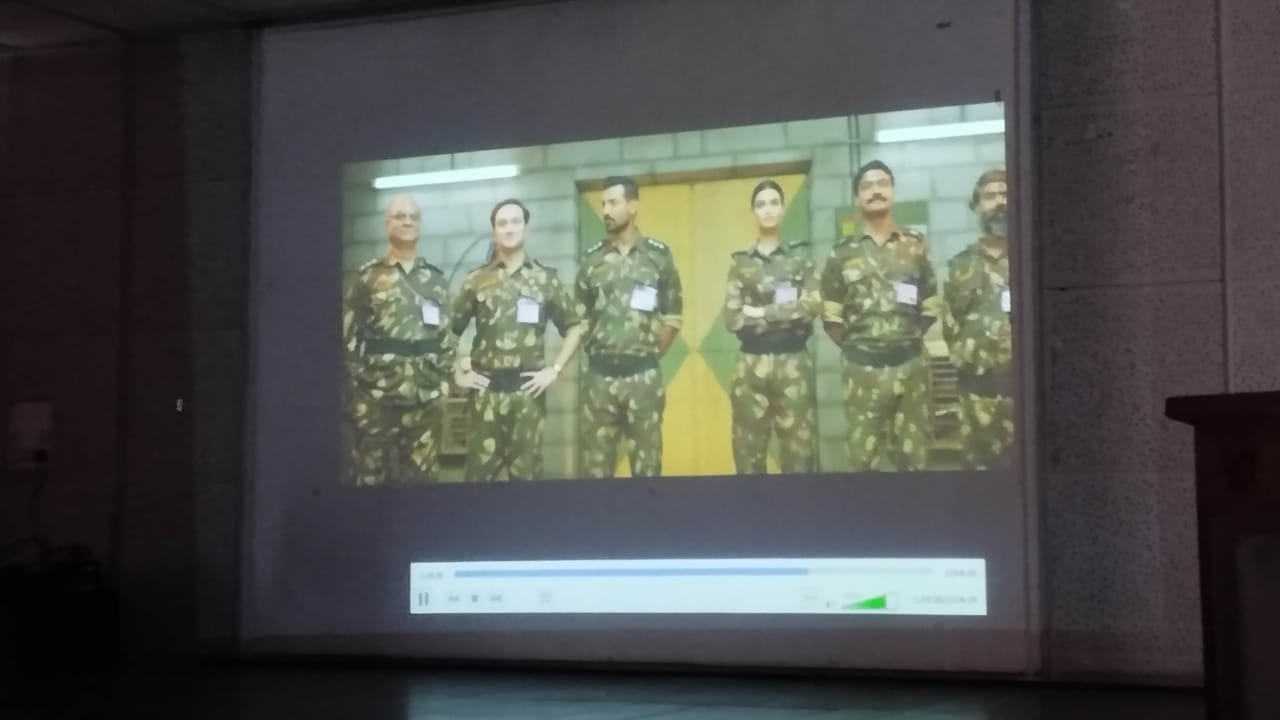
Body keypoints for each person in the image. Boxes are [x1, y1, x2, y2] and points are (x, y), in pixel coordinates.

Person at [450, 199, 584, 481]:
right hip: (484, 397)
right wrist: (458, 371)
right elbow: (447, 330)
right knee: (477, 481)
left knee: (527, 481)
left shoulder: (545, 279)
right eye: (502, 223)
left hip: (527, 398)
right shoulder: (476, 279)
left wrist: (555, 369)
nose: (509, 228)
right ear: (494, 231)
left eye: (515, 222)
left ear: (525, 228)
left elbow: (575, 326)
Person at [820, 160, 939, 472]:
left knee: (915, 461)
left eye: (883, 184)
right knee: (862, 461)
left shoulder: (915, 246)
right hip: (862, 371)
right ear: (857, 197)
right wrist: (862, 348)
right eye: (867, 186)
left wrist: (902, 341)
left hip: (910, 368)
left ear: (893, 192)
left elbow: (930, 305)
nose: (876, 191)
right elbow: (831, 317)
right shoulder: (841, 253)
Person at [575, 176, 683, 477]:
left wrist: (646, 352)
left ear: (633, 206)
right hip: (599, 380)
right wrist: (603, 348)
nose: (606, 211)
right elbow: (579, 318)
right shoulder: (592, 260)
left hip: (643, 380)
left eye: (613, 203)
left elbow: (673, 315)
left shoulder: (657, 256)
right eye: (603, 204)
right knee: (595, 471)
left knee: (648, 470)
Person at [342, 195, 452, 485]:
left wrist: (442, 385)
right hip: (377, 401)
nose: (407, 221)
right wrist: (358, 395)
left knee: (422, 486)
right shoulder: (366, 278)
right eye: (400, 216)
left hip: (424, 402)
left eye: (413, 217)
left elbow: (446, 337)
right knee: (370, 481)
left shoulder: (435, 280)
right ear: (387, 224)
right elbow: (346, 338)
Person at [723, 180, 820, 474]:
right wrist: (787, 314)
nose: (767, 210)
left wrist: (761, 312)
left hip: (794, 363)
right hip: (750, 365)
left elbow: (812, 306)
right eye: (761, 204)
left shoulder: (801, 258)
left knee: (799, 454)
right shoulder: (740, 262)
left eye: (774, 203)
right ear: (753, 211)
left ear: (782, 208)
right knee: (748, 455)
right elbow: (732, 318)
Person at [943, 169, 1014, 469]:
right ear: (976, 206)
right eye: (990, 196)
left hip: (1025, 394)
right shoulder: (959, 266)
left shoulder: (1032, 257)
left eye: (1005, 194)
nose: (999, 202)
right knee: (979, 475)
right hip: (976, 396)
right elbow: (951, 328)